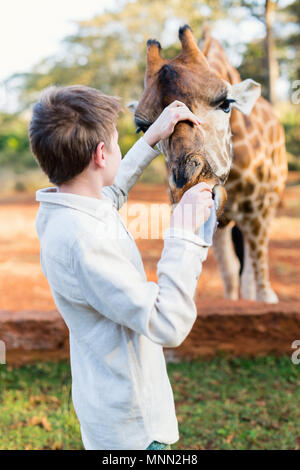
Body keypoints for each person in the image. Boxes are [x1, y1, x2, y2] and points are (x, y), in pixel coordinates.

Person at [30, 85, 215, 450]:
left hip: (107, 410)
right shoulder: (85, 242)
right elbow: (168, 323)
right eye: (115, 143)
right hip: (133, 431)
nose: (116, 148)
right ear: (101, 154)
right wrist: (182, 232)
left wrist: (150, 141)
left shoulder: (63, 211)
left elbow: (104, 197)